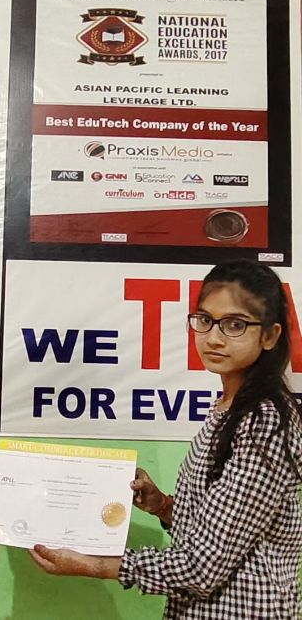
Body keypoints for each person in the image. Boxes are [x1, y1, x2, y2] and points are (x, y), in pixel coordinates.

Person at [30, 260, 302, 619]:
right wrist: (162, 506)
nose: (214, 337)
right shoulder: (228, 408)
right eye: (205, 320)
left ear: (269, 336)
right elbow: (222, 529)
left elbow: (203, 568)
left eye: (235, 324)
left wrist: (95, 565)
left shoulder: (264, 423)